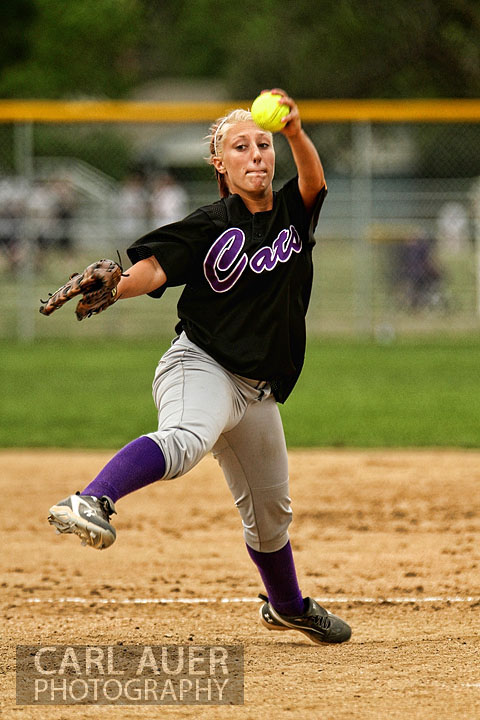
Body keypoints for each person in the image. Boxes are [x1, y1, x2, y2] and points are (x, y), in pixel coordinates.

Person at [47, 89, 352, 646]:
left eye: (263, 144)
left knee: (271, 514)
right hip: (202, 365)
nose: (256, 154)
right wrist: (117, 285)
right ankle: (90, 499)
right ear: (220, 162)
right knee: (186, 439)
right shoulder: (209, 224)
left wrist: (296, 132)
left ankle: (287, 606)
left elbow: (314, 182)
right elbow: (154, 268)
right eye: (241, 146)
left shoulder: (291, 210)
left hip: (258, 391)